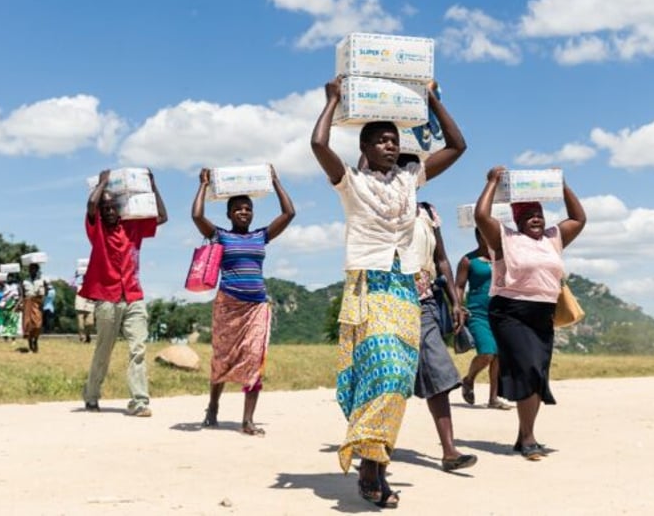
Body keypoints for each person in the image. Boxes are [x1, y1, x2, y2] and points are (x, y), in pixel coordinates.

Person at [311, 76, 466, 508]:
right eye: (380, 140)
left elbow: (457, 146)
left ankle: (374, 461)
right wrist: (333, 101)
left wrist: (433, 99)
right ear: (364, 148)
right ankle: (370, 467)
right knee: (379, 371)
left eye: (394, 140)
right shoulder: (351, 182)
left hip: (404, 286)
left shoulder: (409, 180)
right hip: (368, 284)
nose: (390, 146)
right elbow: (319, 146)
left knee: (397, 379)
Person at [474, 166, 586, 461]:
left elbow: (579, 218)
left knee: (537, 374)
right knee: (529, 368)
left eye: (538, 214)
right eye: (527, 216)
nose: (535, 219)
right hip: (510, 313)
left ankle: (524, 434)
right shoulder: (504, 239)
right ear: (517, 221)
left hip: (542, 314)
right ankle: (528, 439)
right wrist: (492, 182)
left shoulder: (553, 238)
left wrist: (562, 185)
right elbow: (481, 217)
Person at [192, 165, 295, 435]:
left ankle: (248, 421)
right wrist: (203, 185)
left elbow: (289, 213)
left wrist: (275, 181)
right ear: (228, 214)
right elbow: (197, 215)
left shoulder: (261, 235)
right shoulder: (220, 236)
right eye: (237, 208)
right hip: (228, 306)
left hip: (256, 306)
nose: (243, 212)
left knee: (254, 359)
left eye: (248, 208)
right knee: (221, 358)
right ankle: (213, 407)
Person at [80, 169, 168, 417]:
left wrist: (153, 185)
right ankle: (91, 394)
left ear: (120, 208)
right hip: (107, 298)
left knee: (138, 349)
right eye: (104, 207)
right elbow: (90, 205)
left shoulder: (134, 227)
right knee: (103, 350)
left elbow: (162, 216)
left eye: (113, 206)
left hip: (134, 297)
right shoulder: (95, 229)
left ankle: (139, 401)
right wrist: (103, 183)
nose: (108, 211)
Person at [408, 196, 478, 472]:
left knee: (437, 368)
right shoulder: (377, 201)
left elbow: (441, 260)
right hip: (386, 300)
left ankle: (449, 452)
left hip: (424, 302)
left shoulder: (427, 211)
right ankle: (371, 451)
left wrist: (455, 301)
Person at [454, 228, 512, 410]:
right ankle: (469, 379)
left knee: (498, 357)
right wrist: (458, 306)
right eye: (487, 235)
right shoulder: (468, 260)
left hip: (501, 312)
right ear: (479, 237)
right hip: (477, 313)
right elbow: (459, 285)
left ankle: (493, 399)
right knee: (487, 353)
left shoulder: (503, 259)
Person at [21, 263, 46, 353]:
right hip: (27, 303)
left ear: (37, 270)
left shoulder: (41, 281)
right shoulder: (25, 281)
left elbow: (44, 293)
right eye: (31, 269)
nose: (32, 271)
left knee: (37, 324)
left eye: (34, 269)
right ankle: (30, 342)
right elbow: (23, 294)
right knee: (28, 324)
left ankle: (35, 339)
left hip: (37, 303)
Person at [0, 273, 22, 342]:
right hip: (5, 305)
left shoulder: (17, 286)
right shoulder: (5, 286)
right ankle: (5, 338)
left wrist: (17, 305)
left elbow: (21, 296)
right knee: (5, 322)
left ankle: (13, 338)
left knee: (13, 322)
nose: (9, 278)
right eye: (8, 277)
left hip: (14, 304)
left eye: (11, 277)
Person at [73, 272, 95, 343]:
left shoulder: (92, 286)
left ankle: (88, 335)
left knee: (90, 323)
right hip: (80, 306)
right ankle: (82, 338)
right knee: (81, 325)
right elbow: (70, 284)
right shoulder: (78, 286)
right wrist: (75, 276)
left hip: (90, 306)